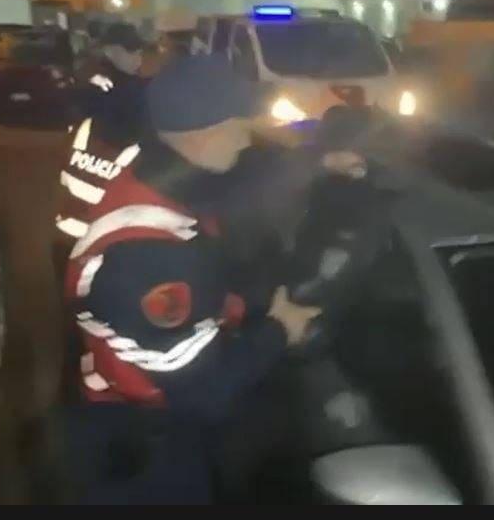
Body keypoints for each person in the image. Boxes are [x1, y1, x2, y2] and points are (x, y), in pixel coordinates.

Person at [58, 55, 322, 504]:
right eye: (239, 124)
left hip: (147, 418)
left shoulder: (162, 178)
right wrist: (279, 329)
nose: (247, 137)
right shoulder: (150, 257)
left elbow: (248, 181)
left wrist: (322, 161)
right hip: (143, 443)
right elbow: (201, 394)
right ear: (202, 132)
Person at [53, 23, 152, 284]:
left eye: (139, 50)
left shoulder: (94, 84)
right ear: (111, 51)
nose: (138, 56)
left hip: (71, 233)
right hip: (99, 239)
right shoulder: (111, 90)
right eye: (131, 50)